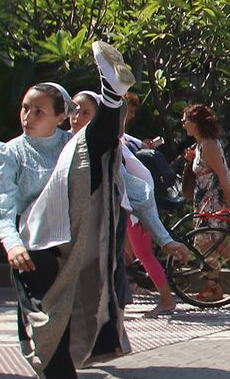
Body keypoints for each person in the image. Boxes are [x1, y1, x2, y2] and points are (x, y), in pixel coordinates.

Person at [0, 44, 188, 379]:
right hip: (35, 255)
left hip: (76, 246)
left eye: (39, 110)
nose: (27, 116)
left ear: (61, 116)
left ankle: (111, 97)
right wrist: (11, 242)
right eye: (25, 108)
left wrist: (163, 238)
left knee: (90, 151)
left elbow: (135, 192)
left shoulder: (74, 145)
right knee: (46, 339)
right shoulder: (8, 153)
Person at [72, 92, 180, 319]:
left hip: (125, 213)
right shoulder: (67, 145)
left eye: (85, 113)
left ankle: (165, 298)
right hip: (89, 224)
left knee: (141, 253)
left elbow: (138, 185)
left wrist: (156, 229)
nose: (76, 117)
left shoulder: (114, 145)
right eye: (74, 110)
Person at [180, 103, 230, 304]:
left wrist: (229, 202)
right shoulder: (202, 144)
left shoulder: (209, 144)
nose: (183, 124)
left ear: (196, 123)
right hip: (207, 197)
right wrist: (192, 159)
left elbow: (221, 172)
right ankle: (216, 285)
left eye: (186, 120)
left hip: (215, 197)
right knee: (211, 242)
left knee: (210, 241)